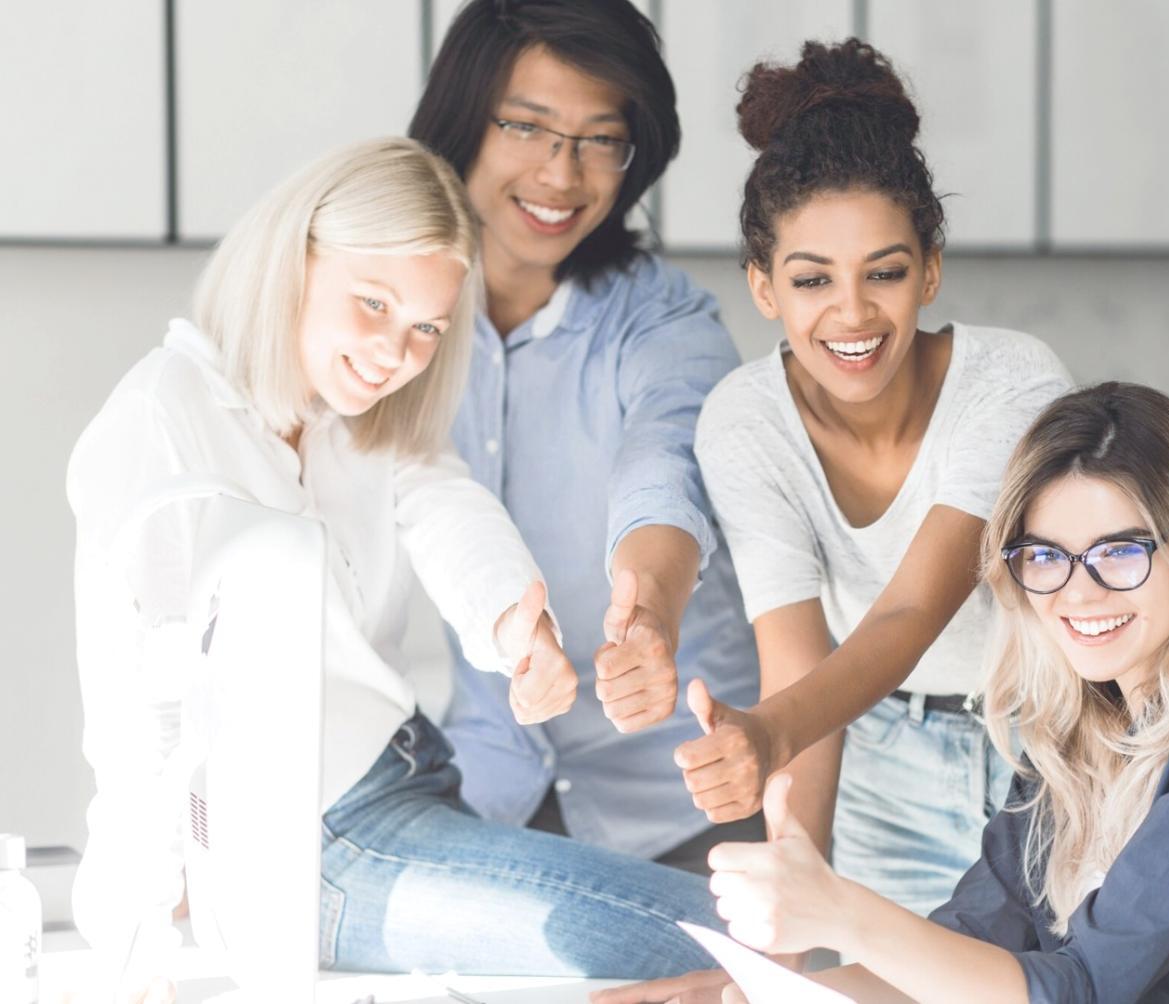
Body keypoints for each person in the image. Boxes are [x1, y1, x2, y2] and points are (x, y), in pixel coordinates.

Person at [67, 138, 720, 1000]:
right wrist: (138, 941)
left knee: (751, 931)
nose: (395, 354)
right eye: (372, 304)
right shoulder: (164, 416)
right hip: (316, 844)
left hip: (409, 782)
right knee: (730, 935)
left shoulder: (346, 419)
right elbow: (138, 709)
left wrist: (514, 632)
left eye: (426, 328)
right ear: (294, 261)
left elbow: (445, 505)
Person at [694, 383, 1169, 1003]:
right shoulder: (1072, 738)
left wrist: (840, 913)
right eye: (1044, 556)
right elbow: (961, 952)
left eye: (1119, 552)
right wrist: (781, 991)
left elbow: (1083, 988)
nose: (1078, 591)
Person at [669, 36, 1072, 914]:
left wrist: (770, 735)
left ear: (928, 269)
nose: (851, 314)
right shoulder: (744, 423)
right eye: (812, 280)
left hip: (1052, 747)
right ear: (763, 288)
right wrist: (788, 902)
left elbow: (909, 612)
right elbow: (799, 665)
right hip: (884, 760)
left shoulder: (1010, 382)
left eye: (883, 273)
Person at [408, 0, 762, 871]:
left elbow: (666, 465)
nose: (562, 175)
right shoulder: (395, 322)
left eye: (601, 138)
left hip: (683, 801)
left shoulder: (664, 320)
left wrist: (645, 615)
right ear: (461, 125)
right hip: (486, 795)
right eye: (528, 127)